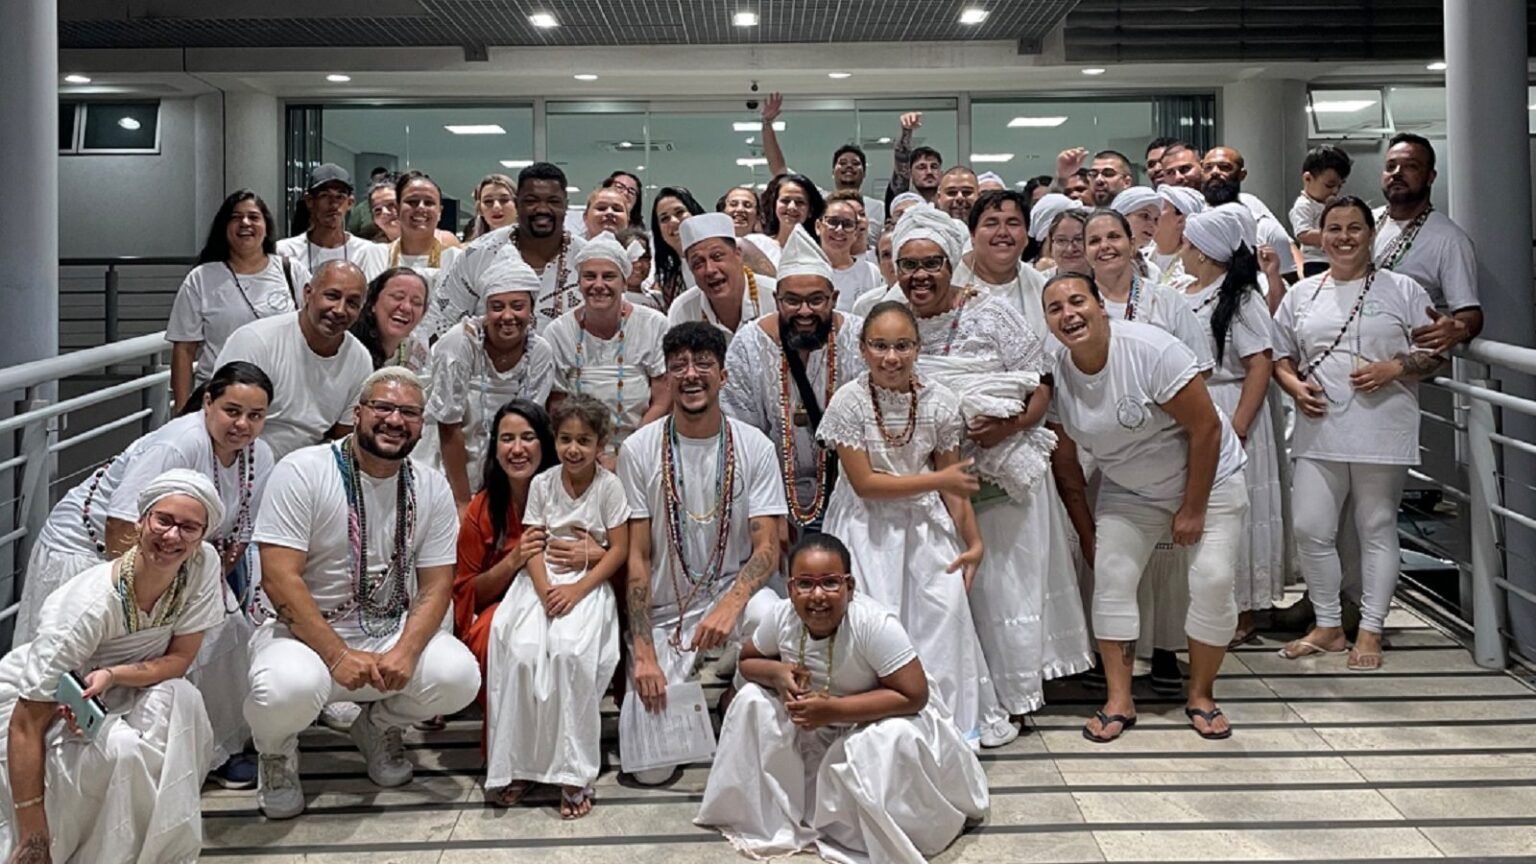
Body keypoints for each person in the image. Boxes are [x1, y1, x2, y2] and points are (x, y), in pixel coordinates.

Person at [244, 368, 480, 819]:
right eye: (383, 407)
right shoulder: (303, 470)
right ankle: (275, 753)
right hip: (303, 637)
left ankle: (378, 726)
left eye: (409, 412)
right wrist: (335, 654)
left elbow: (436, 586)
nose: (395, 420)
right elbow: (278, 579)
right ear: (357, 413)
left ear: (421, 424)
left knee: (458, 676)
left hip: (386, 631)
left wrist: (408, 651)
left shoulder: (428, 485)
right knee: (284, 689)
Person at [895, 206, 1093, 729]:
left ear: (950, 263)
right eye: (908, 265)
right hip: (933, 479)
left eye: (931, 263)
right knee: (954, 587)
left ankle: (1017, 692)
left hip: (1004, 472)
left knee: (1006, 583)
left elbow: (1042, 378)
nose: (920, 276)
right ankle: (962, 693)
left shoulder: (990, 312)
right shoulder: (890, 318)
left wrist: (1008, 427)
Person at [696, 533, 989, 864]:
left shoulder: (873, 623)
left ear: (849, 586)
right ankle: (771, 814)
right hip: (815, 726)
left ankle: (874, 828)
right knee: (751, 700)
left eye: (830, 583)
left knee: (885, 741)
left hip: (877, 718)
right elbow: (747, 662)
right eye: (805, 584)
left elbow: (914, 695)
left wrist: (835, 710)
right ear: (791, 588)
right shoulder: (782, 617)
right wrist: (777, 674)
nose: (817, 595)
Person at [1044, 272, 1248, 743]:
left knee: (1213, 580)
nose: (1069, 314)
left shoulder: (1150, 350)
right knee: (1112, 575)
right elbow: (1068, 464)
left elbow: (1207, 430)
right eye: (1055, 309)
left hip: (1211, 478)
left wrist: (1193, 508)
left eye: (1077, 301)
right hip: (1131, 488)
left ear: (1100, 305)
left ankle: (1201, 695)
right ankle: (1119, 700)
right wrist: (1087, 531)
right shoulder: (1060, 372)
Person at [0, 470, 226, 864]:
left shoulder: (202, 565)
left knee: (183, 698)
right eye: (163, 521)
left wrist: (114, 675)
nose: (173, 537)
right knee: (121, 749)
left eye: (189, 527)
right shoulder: (86, 605)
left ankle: (160, 849)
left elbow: (180, 660)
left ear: (203, 535)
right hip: (53, 702)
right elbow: (24, 724)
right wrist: (33, 834)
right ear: (140, 522)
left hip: (122, 684)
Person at [817, 300, 1005, 746]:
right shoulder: (850, 401)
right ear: (862, 349)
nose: (891, 357)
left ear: (918, 347)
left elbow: (954, 486)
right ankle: (874, 728)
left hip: (923, 524)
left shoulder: (938, 401)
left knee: (943, 616)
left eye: (902, 345)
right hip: (865, 528)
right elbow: (865, 483)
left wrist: (974, 542)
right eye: (880, 346)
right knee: (876, 625)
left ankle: (947, 728)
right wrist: (938, 478)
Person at [1273, 196, 1442, 671]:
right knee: (1311, 526)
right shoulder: (1302, 293)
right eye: (1334, 229)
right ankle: (1327, 624)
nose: (1344, 238)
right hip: (1318, 425)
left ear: (1371, 235)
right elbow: (1278, 355)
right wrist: (1293, 384)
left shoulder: (1403, 290)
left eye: (1354, 229)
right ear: (1319, 236)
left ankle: (1370, 628)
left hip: (1382, 426)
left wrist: (1395, 367)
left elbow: (1436, 353)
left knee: (1376, 527)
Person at [619, 322, 787, 786]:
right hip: (666, 610)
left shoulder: (754, 445)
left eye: (703, 364)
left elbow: (767, 548)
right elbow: (638, 559)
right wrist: (644, 654)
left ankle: (738, 687)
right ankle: (681, 683)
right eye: (679, 367)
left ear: (723, 375)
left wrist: (731, 604)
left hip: (734, 595)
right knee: (651, 770)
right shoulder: (639, 450)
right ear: (666, 378)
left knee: (770, 614)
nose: (691, 375)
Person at [1085, 208, 1214, 693]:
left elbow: (1198, 371)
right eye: (1094, 239)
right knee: (1107, 556)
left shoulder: (1166, 301)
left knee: (1169, 557)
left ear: (1131, 241)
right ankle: (1108, 656)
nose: (1105, 247)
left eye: (1113, 236)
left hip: (1163, 441)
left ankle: (1164, 648)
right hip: (1098, 442)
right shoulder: (1075, 302)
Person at [483, 396, 629, 818]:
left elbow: (619, 550)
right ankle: (520, 764)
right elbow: (531, 544)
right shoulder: (544, 483)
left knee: (569, 655)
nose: (573, 449)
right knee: (522, 653)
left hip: (586, 585)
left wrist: (578, 589)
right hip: (540, 583)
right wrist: (546, 589)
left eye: (584, 440)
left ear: (601, 443)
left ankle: (573, 771)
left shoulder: (609, 487)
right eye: (565, 439)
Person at [1179, 207, 1286, 645]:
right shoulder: (1187, 291)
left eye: (1188, 244)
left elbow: (1259, 362)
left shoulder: (1240, 299)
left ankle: (1241, 609)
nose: (1182, 251)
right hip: (1197, 409)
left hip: (1231, 407)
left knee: (1236, 511)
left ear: (1203, 253)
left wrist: (1238, 426)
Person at [721, 226, 866, 538]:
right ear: (776, 299)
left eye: (816, 300)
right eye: (792, 301)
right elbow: (741, 438)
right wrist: (766, 511)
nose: (804, 311)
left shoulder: (859, 337)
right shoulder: (748, 344)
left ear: (834, 298)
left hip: (852, 497)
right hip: (772, 499)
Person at [428, 249, 557, 510]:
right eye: (497, 307)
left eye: (518, 306)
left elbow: (528, 430)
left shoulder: (540, 352)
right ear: (485, 309)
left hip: (510, 476)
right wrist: (464, 503)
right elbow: (448, 425)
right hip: (452, 475)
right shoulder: (460, 343)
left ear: (531, 310)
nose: (507, 316)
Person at [214, 260, 374, 460]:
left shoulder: (360, 360)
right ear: (308, 293)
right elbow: (222, 423)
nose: (339, 310)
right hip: (240, 462)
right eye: (332, 296)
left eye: (352, 303)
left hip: (308, 469)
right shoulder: (256, 341)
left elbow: (343, 440)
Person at [168, 189, 305, 408]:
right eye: (235, 217)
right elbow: (184, 350)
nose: (245, 223)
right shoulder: (201, 278)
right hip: (220, 401)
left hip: (282, 400)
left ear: (266, 226)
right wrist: (182, 409)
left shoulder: (292, 272)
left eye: (253, 217)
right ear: (224, 227)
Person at [544, 231, 672, 459]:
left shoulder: (654, 325)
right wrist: (589, 453)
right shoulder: (558, 332)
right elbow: (557, 405)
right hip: (579, 453)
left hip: (643, 448)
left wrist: (629, 453)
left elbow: (663, 400)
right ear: (579, 282)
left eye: (609, 276)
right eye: (590, 276)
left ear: (624, 283)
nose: (599, 285)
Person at [424, 162, 587, 338]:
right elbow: (442, 323)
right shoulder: (479, 254)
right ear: (517, 204)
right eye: (531, 201)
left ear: (566, 205)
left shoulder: (586, 258)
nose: (542, 209)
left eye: (553, 201)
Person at [1374, 132, 1483, 352]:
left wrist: (1460, 328)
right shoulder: (1362, 222)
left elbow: (1469, 313)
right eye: (1390, 166)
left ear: (1431, 176)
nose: (1397, 173)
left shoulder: (1449, 240)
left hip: (1404, 361)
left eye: (1410, 166)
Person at [756, 93, 886, 246]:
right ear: (833, 171)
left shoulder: (878, 207)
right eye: (842, 163)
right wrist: (767, 124)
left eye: (855, 163)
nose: (848, 166)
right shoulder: (820, 198)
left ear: (865, 172)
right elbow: (779, 170)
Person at [955, 189, 1048, 336]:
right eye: (991, 224)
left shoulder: (1042, 288)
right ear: (972, 235)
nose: (1002, 232)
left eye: (1013, 223)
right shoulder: (949, 280)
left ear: (1026, 236)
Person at [1201, 146, 1300, 282]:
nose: (1215, 172)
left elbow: (1288, 286)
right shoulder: (1191, 223)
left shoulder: (1265, 228)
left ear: (1242, 175)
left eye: (1224, 167)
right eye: (1208, 168)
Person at [358, 172, 464, 300]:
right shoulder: (374, 256)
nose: (420, 208)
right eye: (412, 202)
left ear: (440, 212)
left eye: (429, 203)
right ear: (398, 209)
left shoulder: (455, 259)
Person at [669, 212, 778, 336]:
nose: (710, 270)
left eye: (717, 256)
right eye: (698, 263)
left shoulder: (775, 296)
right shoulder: (683, 311)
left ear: (738, 254)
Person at [275, 164, 379, 275]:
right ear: (309, 201)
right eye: (324, 196)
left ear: (350, 203)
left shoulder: (365, 252)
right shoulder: (286, 251)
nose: (334, 204)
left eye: (340, 197)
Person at [1291, 145, 1352, 278]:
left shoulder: (1329, 203)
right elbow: (1303, 234)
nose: (1335, 191)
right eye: (1330, 185)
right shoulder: (1304, 205)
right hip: (1315, 262)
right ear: (1307, 179)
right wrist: (1333, 235)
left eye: (1340, 186)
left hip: (1334, 259)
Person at [744, 172, 826, 271]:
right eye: (785, 201)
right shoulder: (755, 243)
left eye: (800, 202)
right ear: (775, 205)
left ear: (810, 211)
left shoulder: (819, 254)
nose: (792, 207)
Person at [819, 192, 883, 313]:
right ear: (818, 226)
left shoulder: (870, 272)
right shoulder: (807, 268)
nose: (839, 230)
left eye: (847, 224)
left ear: (855, 232)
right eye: (833, 222)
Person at [649, 186, 707, 309]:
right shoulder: (670, 284)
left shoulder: (734, 251)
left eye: (680, 212)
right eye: (664, 218)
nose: (674, 221)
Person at [1147, 186, 1205, 290]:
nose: (1151, 214)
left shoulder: (1190, 268)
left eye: (1160, 208)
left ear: (1180, 220)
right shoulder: (1141, 255)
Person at [883, 111, 941, 207]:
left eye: (934, 166)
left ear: (941, 173)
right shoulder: (902, 200)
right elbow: (902, 158)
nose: (929, 172)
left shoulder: (949, 202)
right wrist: (906, 131)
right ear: (909, 173)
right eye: (921, 167)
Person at [464, 173, 516, 242]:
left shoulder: (533, 247)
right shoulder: (468, 251)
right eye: (488, 201)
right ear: (479, 209)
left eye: (504, 200)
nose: (496, 206)